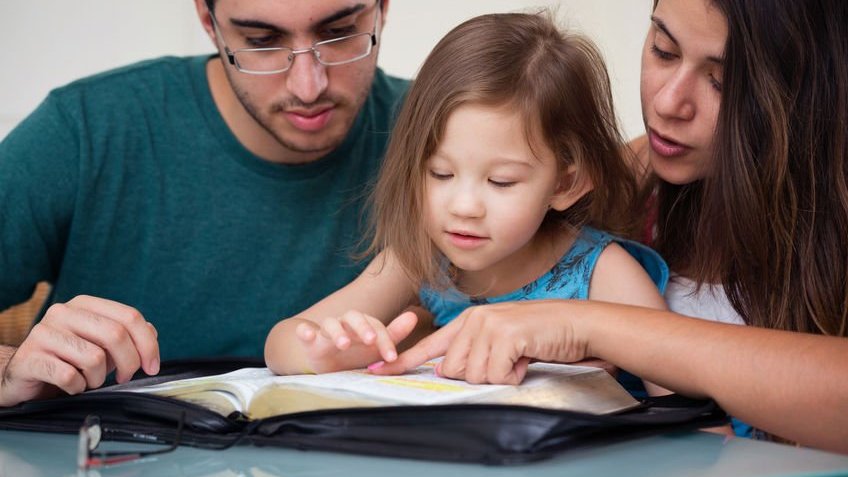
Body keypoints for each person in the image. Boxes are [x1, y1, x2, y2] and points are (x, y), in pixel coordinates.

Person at [373, 0, 848, 454]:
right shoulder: (611, 187)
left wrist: (588, 326)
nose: (668, 103)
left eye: (723, 82)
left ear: (809, 90)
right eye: (663, 49)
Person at [0, 0, 408, 407]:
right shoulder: (87, 129)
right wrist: (7, 370)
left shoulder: (447, 135)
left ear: (383, 9)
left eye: (339, 32)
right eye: (261, 42)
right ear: (207, 21)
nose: (308, 86)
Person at [264, 11, 670, 403]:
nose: (464, 207)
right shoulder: (419, 259)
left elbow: (689, 408)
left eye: (501, 182)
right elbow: (282, 342)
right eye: (440, 173)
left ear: (566, 183)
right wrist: (323, 352)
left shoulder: (604, 273)